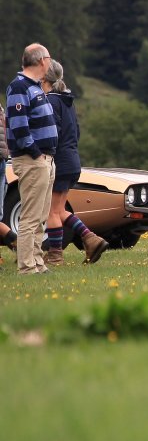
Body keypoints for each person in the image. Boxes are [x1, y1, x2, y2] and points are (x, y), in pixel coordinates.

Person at [42, 61, 109, 265]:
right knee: (61, 210)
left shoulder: (50, 101)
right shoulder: (67, 101)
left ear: (44, 78)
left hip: (59, 162)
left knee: (51, 212)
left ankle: (55, 255)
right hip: (72, 161)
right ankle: (91, 238)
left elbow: (52, 134)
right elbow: (76, 132)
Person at [7, 43, 59, 273]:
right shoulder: (19, 86)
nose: (50, 62)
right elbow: (19, 127)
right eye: (48, 58)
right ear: (40, 61)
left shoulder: (35, 86)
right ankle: (27, 266)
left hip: (46, 159)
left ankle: (37, 261)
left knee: (41, 215)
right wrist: (36, 154)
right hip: (32, 160)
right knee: (30, 216)